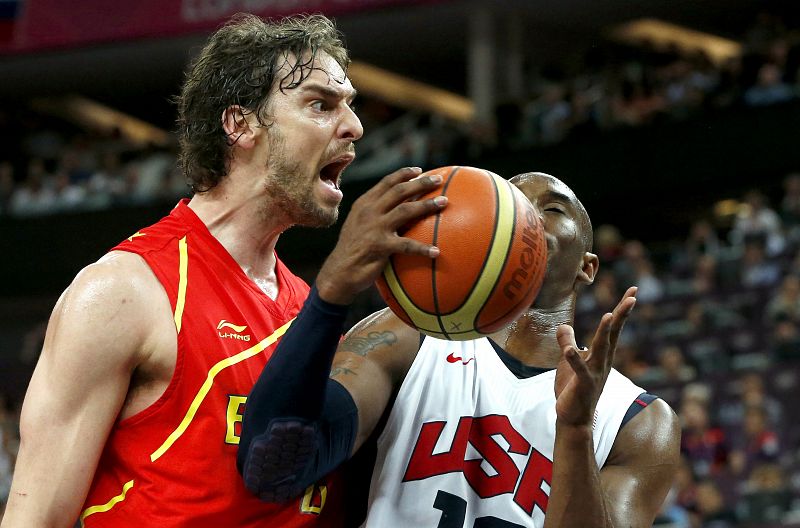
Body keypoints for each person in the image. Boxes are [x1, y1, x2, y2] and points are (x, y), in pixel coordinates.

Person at [1, 13, 446, 528]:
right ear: (240, 124)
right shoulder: (124, 292)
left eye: (349, 105)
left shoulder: (310, 313)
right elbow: (34, 518)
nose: (354, 126)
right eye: (321, 105)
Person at [238, 172, 682, 526]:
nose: (527, 214)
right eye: (513, 202)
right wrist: (331, 293)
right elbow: (276, 469)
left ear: (587, 267)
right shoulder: (407, 336)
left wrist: (576, 429)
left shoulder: (640, 420)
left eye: (551, 209)